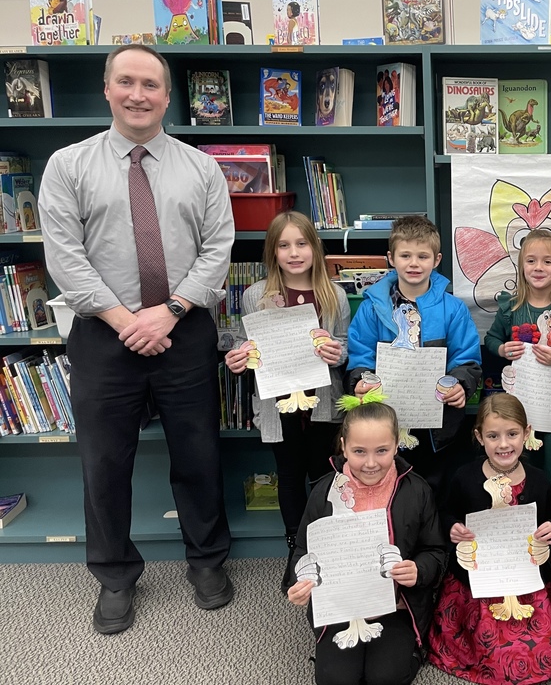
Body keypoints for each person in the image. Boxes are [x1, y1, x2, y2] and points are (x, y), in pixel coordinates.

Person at [37, 44, 235, 634]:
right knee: (103, 463)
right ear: (107, 89)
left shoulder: (200, 168)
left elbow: (217, 250)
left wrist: (169, 311)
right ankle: (116, 574)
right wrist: (128, 321)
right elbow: (64, 259)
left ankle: (206, 560)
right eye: (126, 82)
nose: (138, 95)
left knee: (198, 454)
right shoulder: (68, 165)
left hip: (185, 328)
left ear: (167, 96)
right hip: (103, 334)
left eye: (150, 84)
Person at [224, 211, 349, 593]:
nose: (294, 253)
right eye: (284, 245)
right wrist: (239, 357)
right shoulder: (254, 296)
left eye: (302, 243)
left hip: (323, 401)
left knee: (324, 474)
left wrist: (335, 354)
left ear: (315, 247)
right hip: (278, 404)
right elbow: (245, 345)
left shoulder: (334, 294)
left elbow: (344, 348)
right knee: (290, 475)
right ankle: (296, 551)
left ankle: (326, 547)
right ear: (272, 252)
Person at [286, 400, 447, 685]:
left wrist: (418, 570)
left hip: (396, 605)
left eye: (382, 451)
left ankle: (412, 650)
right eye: (359, 451)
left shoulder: (418, 490)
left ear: (396, 445)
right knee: (336, 679)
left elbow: (435, 551)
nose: (371, 463)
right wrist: (299, 582)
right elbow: (302, 549)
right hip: (340, 606)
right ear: (344, 446)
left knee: (385, 677)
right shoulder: (323, 491)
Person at [428, 393, 551, 684]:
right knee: (487, 646)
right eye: (493, 436)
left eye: (512, 434)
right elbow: (445, 512)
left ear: (527, 433)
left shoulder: (538, 479)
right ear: (479, 437)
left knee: (538, 647)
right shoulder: (464, 477)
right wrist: (452, 525)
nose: (504, 444)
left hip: (526, 576)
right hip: (478, 579)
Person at [346, 215, 482, 494]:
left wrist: (460, 384)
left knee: (436, 493)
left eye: (423, 256)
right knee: (391, 492)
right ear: (391, 258)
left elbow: (466, 358)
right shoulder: (372, 308)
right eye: (405, 255)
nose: (414, 263)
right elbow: (360, 355)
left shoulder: (453, 309)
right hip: (385, 424)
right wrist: (360, 379)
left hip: (438, 428)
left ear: (437, 259)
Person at [484, 229, 551, 486]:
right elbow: (491, 340)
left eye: (548, 261)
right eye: (531, 261)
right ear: (522, 266)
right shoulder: (511, 306)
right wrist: (502, 350)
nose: (538, 267)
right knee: (519, 447)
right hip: (520, 393)